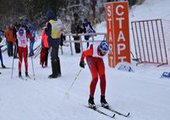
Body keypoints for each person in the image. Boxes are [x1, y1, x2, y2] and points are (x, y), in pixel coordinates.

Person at [79, 40, 109, 109]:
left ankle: (103, 98)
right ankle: (91, 99)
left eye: (105, 52)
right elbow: (84, 53)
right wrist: (81, 61)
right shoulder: (92, 50)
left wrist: (102, 54)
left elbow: (103, 53)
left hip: (98, 59)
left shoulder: (105, 51)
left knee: (102, 77)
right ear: (100, 49)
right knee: (95, 77)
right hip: (90, 57)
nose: (104, 54)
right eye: (103, 52)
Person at [45, 9, 64, 78]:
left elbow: (48, 33)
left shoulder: (50, 23)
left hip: (53, 41)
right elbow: (62, 30)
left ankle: (54, 74)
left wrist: (45, 30)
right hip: (58, 40)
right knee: (56, 56)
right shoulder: (58, 21)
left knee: (53, 57)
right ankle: (58, 72)